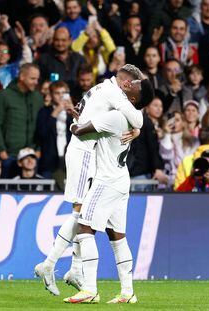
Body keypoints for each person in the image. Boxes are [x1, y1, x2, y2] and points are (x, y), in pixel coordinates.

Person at [34, 65, 152, 296]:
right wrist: (137, 130)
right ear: (127, 84)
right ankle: (51, 265)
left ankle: (71, 269)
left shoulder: (101, 87)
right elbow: (137, 117)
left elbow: (83, 109)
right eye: (134, 84)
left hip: (88, 150)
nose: (133, 88)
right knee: (81, 214)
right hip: (84, 152)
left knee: (83, 214)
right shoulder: (115, 94)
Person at [63, 99, 152, 303]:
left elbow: (79, 131)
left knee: (84, 229)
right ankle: (128, 292)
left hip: (106, 181)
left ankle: (89, 289)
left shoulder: (112, 118)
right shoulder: (128, 119)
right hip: (121, 178)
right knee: (117, 236)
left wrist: (73, 123)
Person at [0, 63, 44, 178]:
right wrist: (1, 149)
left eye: (37, 79)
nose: (36, 82)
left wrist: (38, 149)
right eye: (32, 78)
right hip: (10, 155)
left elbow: (41, 125)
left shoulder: (38, 98)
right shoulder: (4, 96)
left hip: (32, 155)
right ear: (21, 77)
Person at [35, 81, 73, 190]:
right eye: (57, 93)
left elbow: (81, 130)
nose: (61, 96)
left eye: (64, 93)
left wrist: (73, 111)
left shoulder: (73, 111)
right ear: (51, 95)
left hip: (69, 161)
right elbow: (42, 133)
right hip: (50, 161)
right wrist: (56, 112)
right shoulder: (44, 112)